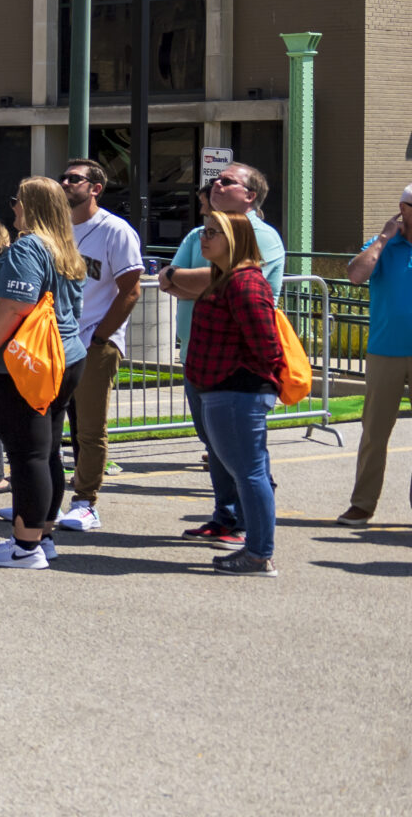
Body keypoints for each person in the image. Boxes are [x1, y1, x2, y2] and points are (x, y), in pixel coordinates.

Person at [0, 176, 86, 569]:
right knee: (46, 451)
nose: (13, 206)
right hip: (64, 358)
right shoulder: (63, 247)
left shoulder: (30, 246)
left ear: (31, 205)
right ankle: (42, 536)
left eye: (17, 200)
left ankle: (26, 546)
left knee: (28, 455)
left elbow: (16, 304)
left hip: (25, 364)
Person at [165, 161, 285, 541]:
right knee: (215, 445)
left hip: (235, 375)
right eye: (215, 180)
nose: (216, 183)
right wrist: (182, 280)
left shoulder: (258, 239)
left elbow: (218, 282)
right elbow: (172, 277)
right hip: (200, 363)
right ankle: (226, 517)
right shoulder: (203, 234)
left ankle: (253, 536)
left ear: (249, 196)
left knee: (245, 460)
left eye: (227, 181)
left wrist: (190, 280)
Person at [57, 158, 143, 531]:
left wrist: (101, 336)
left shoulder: (115, 230)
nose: (64, 183)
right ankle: (42, 502)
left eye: (73, 179)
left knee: (88, 429)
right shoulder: (56, 229)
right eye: (63, 177)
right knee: (45, 425)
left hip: (94, 341)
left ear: (95, 188)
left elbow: (131, 290)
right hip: (54, 341)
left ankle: (85, 502)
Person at [342, 185, 412, 523]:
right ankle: (363, 503)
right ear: (404, 209)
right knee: (375, 432)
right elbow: (355, 275)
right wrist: (384, 238)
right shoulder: (382, 244)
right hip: (387, 351)